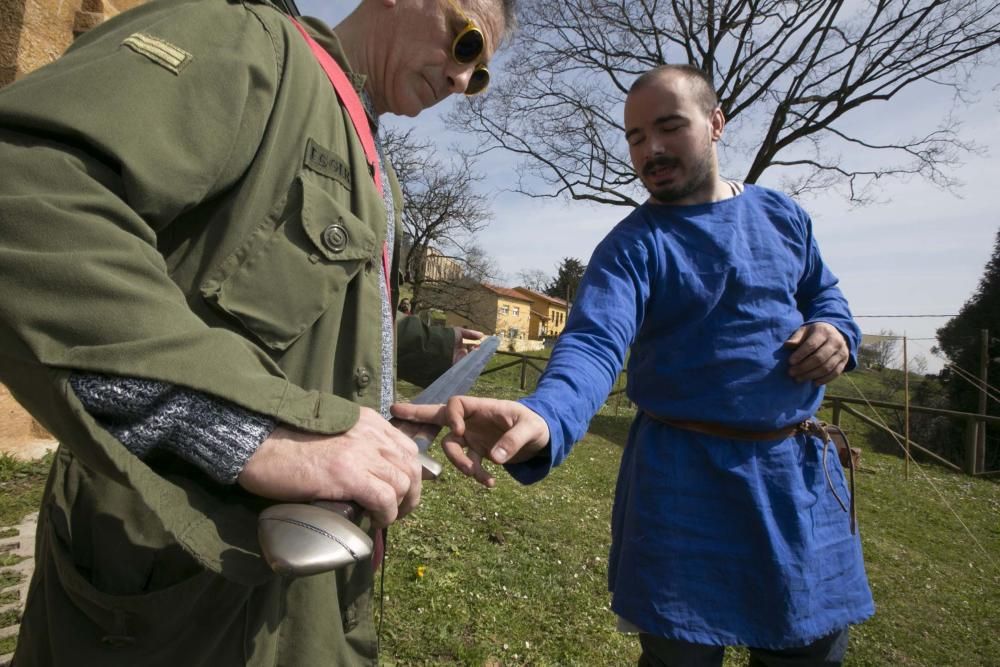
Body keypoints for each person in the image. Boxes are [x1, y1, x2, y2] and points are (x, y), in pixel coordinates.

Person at [0, 0, 512, 664]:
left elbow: (311, 330)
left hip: (302, 598)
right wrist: (249, 427)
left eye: (479, 76)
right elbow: (29, 189)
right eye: (466, 43)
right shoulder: (250, 42)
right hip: (176, 587)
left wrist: (392, 419)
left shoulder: (372, 161)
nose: (460, 81)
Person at [393, 64, 875, 666]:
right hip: (682, 485)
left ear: (717, 123)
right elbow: (593, 344)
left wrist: (836, 333)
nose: (651, 150)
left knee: (809, 651)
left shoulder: (783, 217)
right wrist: (544, 416)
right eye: (636, 137)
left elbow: (826, 296)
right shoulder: (631, 248)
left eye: (669, 127)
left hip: (794, 480)